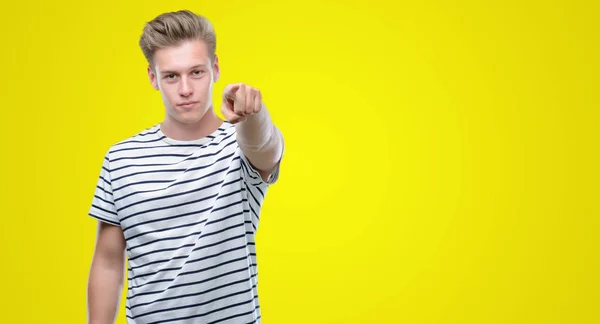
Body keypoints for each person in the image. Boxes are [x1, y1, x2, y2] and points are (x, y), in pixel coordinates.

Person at [86, 9, 284, 324]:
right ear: (153, 78)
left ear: (215, 69)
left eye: (196, 72)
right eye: (171, 76)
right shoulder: (121, 158)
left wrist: (253, 114)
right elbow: (109, 262)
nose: (186, 90)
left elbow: (266, 147)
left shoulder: (238, 146)